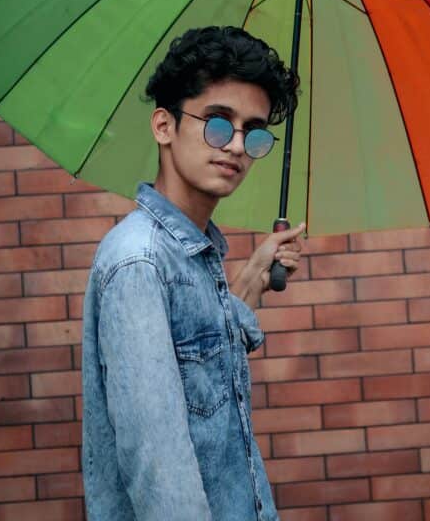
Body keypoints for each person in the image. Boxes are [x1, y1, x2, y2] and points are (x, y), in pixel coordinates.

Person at [81, 26, 306, 520]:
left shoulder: (192, 256)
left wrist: (248, 283)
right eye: (218, 122)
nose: (237, 146)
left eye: (255, 130)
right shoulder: (139, 262)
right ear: (163, 126)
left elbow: (196, 374)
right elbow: (161, 475)